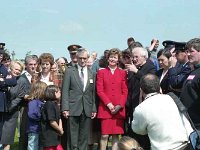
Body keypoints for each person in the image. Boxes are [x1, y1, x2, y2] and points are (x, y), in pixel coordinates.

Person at [132, 74, 193, 150]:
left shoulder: (141, 108)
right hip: (187, 144)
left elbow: (138, 130)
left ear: (141, 90)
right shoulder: (171, 98)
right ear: (159, 87)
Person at [61, 48, 97, 150]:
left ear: (87, 58)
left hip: (87, 108)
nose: (82, 60)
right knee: (72, 137)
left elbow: (92, 92)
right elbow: (65, 91)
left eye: (84, 58)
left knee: (84, 137)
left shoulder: (92, 73)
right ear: (76, 58)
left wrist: (93, 108)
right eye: (80, 58)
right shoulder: (69, 71)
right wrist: (65, 108)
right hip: (73, 108)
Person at [96, 48, 128, 150]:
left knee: (115, 135)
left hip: (119, 109)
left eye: (115, 57)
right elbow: (100, 90)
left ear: (118, 59)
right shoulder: (101, 72)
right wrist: (109, 104)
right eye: (111, 57)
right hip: (106, 109)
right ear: (107, 58)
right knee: (104, 135)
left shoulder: (123, 73)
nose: (112, 59)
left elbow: (125, 91)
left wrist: (119, 105)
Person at [124, 47, 156, 147]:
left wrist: (136, 72)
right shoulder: (133, 68)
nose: (134, 59)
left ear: (144, 56)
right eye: (133, 57)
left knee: (143, 137)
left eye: (136, 57)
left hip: (144, 106)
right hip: (133, 106)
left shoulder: (150, 67)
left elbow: (150, 82)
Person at [0, 61, 26, 150]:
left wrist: (9, 107)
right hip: (0, 110)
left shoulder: (22, 81)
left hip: (11, 113)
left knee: (6, 139)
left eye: (20, 70)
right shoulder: (3, 76)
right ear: (10, 68)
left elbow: (20, 97)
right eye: (16, 69)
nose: (17, 71)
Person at [19, 55, 39, 150]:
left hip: (37, 108)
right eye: (30, 64)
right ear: (26, 65)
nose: (33, 66)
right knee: (24, 132)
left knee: (35, 133)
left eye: (35, 64)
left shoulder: (39, 76)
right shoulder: (21, 78)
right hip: (25, 107)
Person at [180, 38, 200, 128]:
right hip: (190, 124)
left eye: (191, 51)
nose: (188, 54)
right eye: (187, 51)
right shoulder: (194, 71)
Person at [40, 85, 64, 150]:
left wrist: (61, 128)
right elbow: (52, 121)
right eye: (58, 91)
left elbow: (59, 118)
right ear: (53, 93)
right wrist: (59, 130)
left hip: (55, 136)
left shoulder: (55, 104)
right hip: (49, 136)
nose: (60, 93)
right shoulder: (49, 105)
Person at [27, 81, 47, 150]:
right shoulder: (33, 102)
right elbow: (31, 114)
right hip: (34, 129)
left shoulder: (42, 102)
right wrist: (41, 117)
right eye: (45, 90)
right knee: (33, 146)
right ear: (40, 91)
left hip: (40, 129)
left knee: (40, 146)